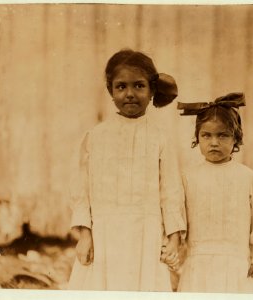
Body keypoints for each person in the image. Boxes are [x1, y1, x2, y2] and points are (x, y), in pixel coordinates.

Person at [67, 49, 186, 291]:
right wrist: (85, 234)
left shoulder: (160, 139)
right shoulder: (95, 137)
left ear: (152, 90)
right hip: (104, 234)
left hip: (147, 235)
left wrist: (174, 237)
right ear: (110, 90)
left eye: (139, 86)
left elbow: (171, 191)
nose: (130, 94)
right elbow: (82, 189)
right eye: (121, 87)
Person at [176, 93, 253, 293]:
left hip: (235, 264)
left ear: (236, 138)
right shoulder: (188, 178)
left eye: (222, 135)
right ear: (197, 138)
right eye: (206, 135)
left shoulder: (247, 177)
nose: (214, 142)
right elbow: (177, 218)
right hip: (197, 264)